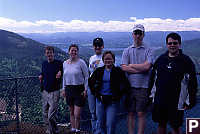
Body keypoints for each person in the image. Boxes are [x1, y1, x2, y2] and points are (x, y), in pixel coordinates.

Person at [148, 32, 197, 134]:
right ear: (167, 44)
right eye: (170, 43)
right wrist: (151, 96)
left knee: (176, 126)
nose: (172, 45)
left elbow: (192, 83)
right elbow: (153, 79)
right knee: (161, 124)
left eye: (175, 43)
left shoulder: (186, 61)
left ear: (179, 44)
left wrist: (190, 101)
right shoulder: (161, 59)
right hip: (160, 99)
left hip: (177, 101)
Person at [121, 24, 153, 134]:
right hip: (129, 86)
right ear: (132, 35)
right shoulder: (127, 50)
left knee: (140, 113)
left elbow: (148, 66)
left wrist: (131, 66)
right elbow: (124, 67)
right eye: (136, 33)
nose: (138, 35)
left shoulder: (148, 50)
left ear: (143, 35)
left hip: (143, 86)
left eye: (140, 33)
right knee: (130, 112)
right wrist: (141, 68)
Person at [89, 51, 130, 134]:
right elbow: (90, 82)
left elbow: (126, 85)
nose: (108, 61)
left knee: (110, 124)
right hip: (100, 101)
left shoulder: (118, 71)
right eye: (106, 59)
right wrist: (97, 94)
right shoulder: (99, 71)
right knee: (100, 124)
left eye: (110, 59)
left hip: (112, 102)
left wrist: (118, 96)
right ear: (103, 60)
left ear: (113, 60)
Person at [62, 44, 89, 133]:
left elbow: (86, 76)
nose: (73, 52)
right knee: (71, 112)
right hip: (69, 89)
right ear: (69, 51)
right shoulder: (65, 63)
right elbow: (64, 78)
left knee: (77, 114)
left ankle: (77, 130)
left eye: (75, 50)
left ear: (77, 52)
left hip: (79, 89)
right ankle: (73, 129)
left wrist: (85, 89)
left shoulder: (81, 62)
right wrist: (63, 89)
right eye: (72, 50)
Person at [39, 46, 63, 134]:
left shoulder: (59, 63)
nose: (49, 54)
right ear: (45, 54)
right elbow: (43, 72)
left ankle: (54, 130)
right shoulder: (44, 63)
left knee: (51, 115)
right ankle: (50, 130)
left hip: (54, 91)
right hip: (45, 91)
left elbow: (64, 72)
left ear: (53, 53)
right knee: (45, 113)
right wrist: (40, 75)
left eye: (51, 52)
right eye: (47, 53)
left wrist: (60, 73)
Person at [88, 37, 104, 133]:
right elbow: (89, 74)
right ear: (93, 47)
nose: (97, 47)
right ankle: (95, 131)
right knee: (92, 113)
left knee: (100, 113)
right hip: (91, 88)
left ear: (102, 46)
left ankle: (99, 131)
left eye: (99, 45)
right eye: (95, 45)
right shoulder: (91, 58)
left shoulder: (105, 58)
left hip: (101, 88)